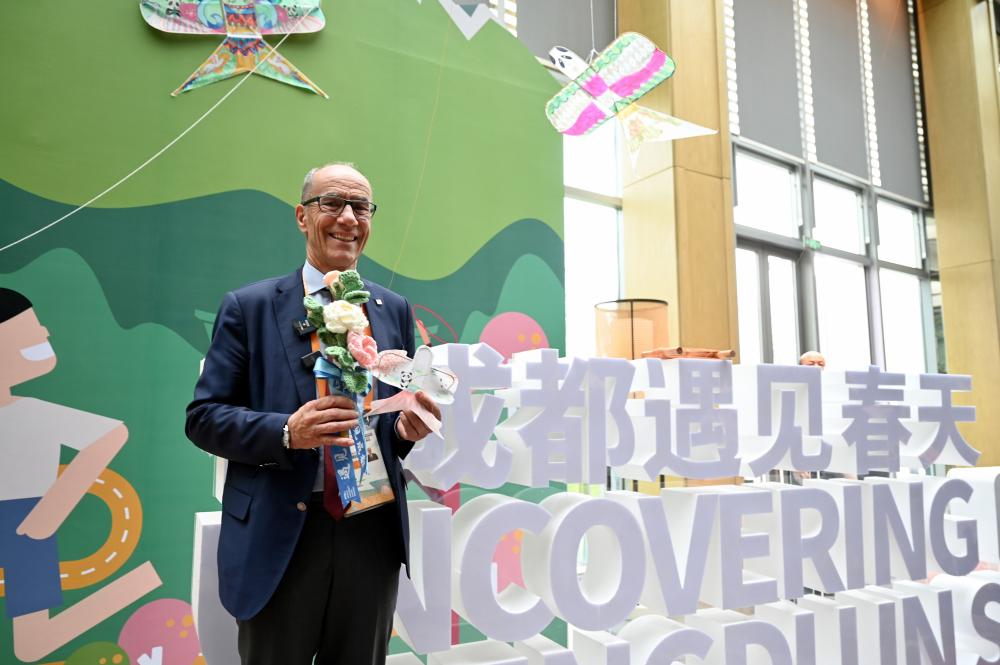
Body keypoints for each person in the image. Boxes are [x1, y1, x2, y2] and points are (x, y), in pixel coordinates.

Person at [185, 163, 440, 665]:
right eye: (332, 204)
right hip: (280, 535)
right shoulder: (249, 307)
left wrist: (406, 429)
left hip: (371, 532)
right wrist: (286, 431)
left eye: (360, 207)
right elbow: (204, 417)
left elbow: (390, 420)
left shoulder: (393, 309)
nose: (348, 218)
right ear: (303, 217)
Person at [0, 288, 160, 662]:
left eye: (37, 326)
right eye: (29, 330)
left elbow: (111, 435)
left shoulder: (33, 412)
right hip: (26, 520)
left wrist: (52, 508)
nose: (45, 333)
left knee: (31, 644)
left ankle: (137, 584)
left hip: (24, 520)